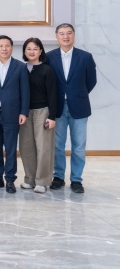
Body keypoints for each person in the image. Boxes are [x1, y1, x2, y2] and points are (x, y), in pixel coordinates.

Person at [46, 23, 97, 193]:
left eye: (69, 33)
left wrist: (78, 94)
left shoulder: (85, 57)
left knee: (79, 146)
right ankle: (58, 177)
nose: (65, 36)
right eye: (62, 33)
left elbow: (91, 81)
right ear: (57, 36)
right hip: (57, 108)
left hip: (79, 107)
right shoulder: (49, 57)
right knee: (58, 145)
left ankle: (76, 179)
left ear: (74, 35)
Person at [0, 35, 30, 194]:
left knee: (10, 148)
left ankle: (10, 179)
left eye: (7, 46)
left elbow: (25, 91)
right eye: (1, 46)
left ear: (12, 48)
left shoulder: (20, 67)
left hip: (12, 113)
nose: (4, 49)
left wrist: (23, 111)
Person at [19, 37, 57, 194]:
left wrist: (52, 116)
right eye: (28, 49)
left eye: (35, 49)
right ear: (24, 51)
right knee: (26, 147)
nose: (32, 52)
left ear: (40, 51)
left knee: (43, 147)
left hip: (43, 111)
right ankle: (30, 179)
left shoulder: (47, 70)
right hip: (24, 112)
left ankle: (42, 181)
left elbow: (53, 94)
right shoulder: (20, 69)